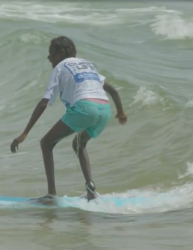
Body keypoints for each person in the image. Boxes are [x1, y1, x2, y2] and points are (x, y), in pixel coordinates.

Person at [10, 36, 127, 204]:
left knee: (46, 143)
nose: (49, 58)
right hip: (104, 109)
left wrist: (25, 133)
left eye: (51, 53)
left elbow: (44, 102)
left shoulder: (59, 67)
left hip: (85, 107)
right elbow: (113, 91)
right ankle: (91, 190)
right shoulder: (86, 64)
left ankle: (51, 194)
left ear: (61, 53)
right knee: (79, 144)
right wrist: (121, 113)